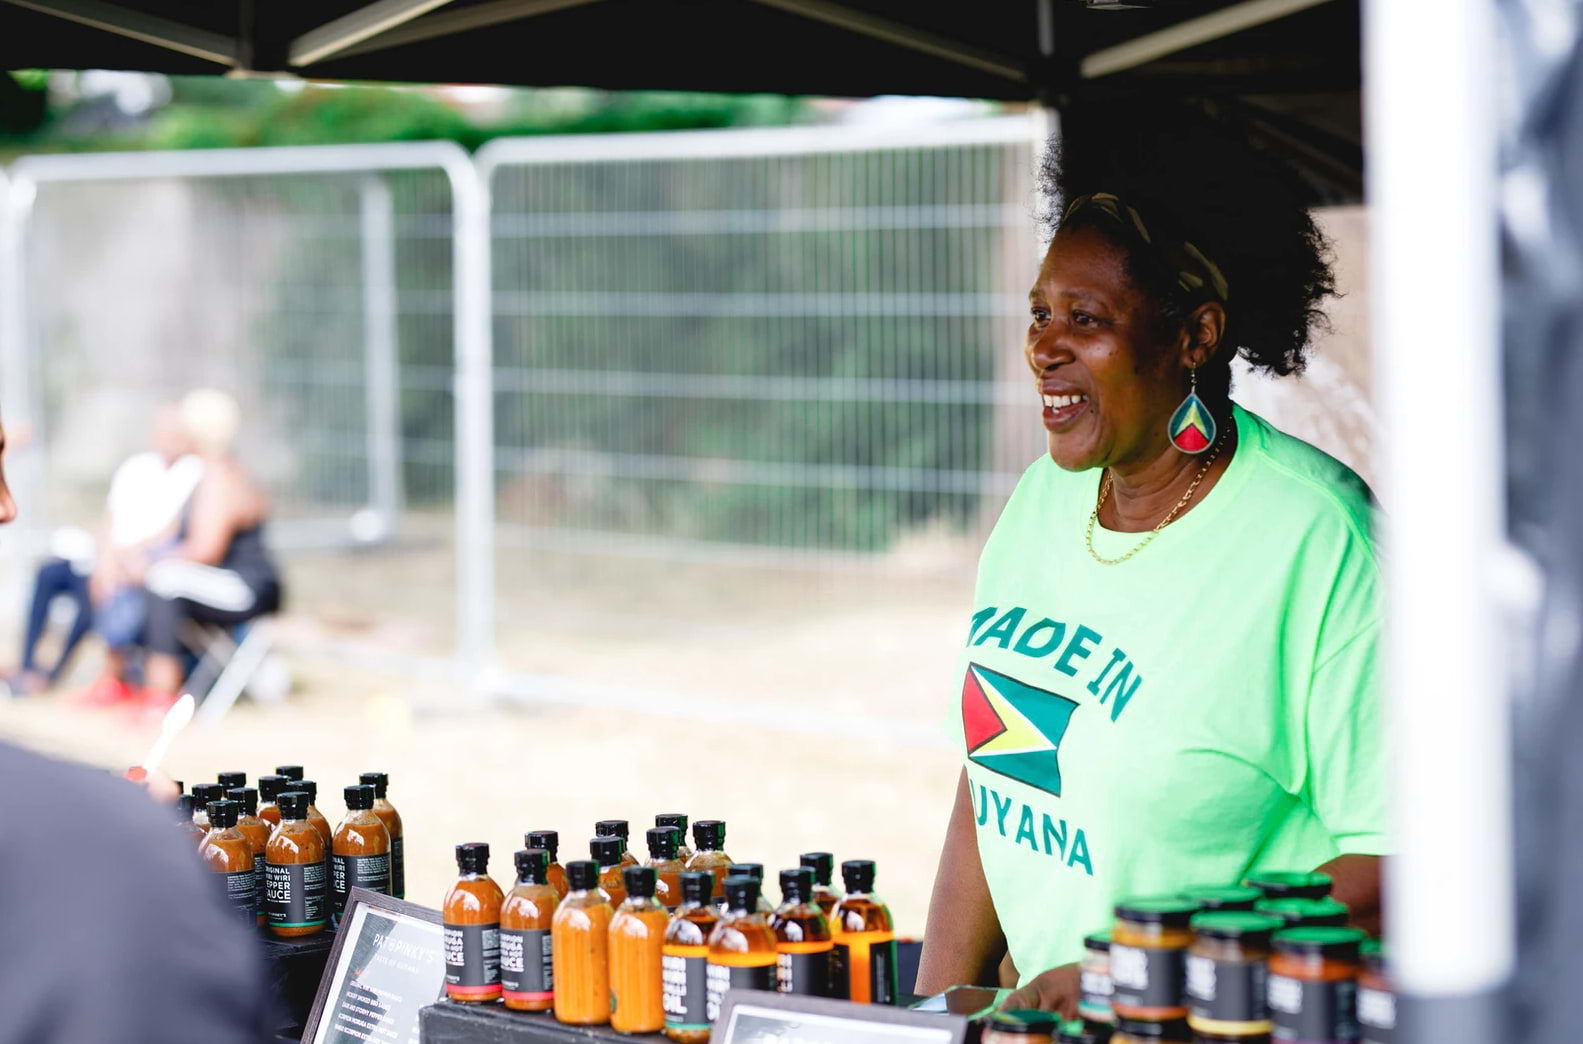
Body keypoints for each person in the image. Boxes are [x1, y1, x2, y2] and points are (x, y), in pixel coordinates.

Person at [913, 104, 1387, 1014]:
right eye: (1039, 314)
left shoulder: (1320, 539)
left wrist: (1124, 977)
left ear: (1194, 336)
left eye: (1084, 320)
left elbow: (1396, 859)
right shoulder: (1041, 501)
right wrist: (933, 1014)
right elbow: (992, 775)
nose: (1043, 348)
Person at [0, 419, 276, 1042]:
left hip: (236, 590)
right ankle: (103, 675)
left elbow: (202, 549)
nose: (10, 507)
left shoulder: (218, 479)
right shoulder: (110, 855)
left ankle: (155, 686)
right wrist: (108, 820)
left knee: (155, 582)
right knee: (97, 574)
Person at [10, 406, 201, 696]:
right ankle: (27, 666)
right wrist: (107, 561)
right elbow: (109, 521)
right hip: (110, 559)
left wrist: (125, 559)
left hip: (146, 564)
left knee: (94, 598)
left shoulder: (194, 473)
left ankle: (58, 676)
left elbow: (175, 530)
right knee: (49, 574)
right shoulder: (137, 467)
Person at [135, 389, 282, 707]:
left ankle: (160, 697)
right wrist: (133, 556)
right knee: (159, 576)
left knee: (163, 581)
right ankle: (145, 684)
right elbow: (169, 534)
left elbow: (205, 550)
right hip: (225, 582)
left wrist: (148, 565)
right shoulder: (207, 474)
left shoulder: (220, 478)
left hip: (246, 586)